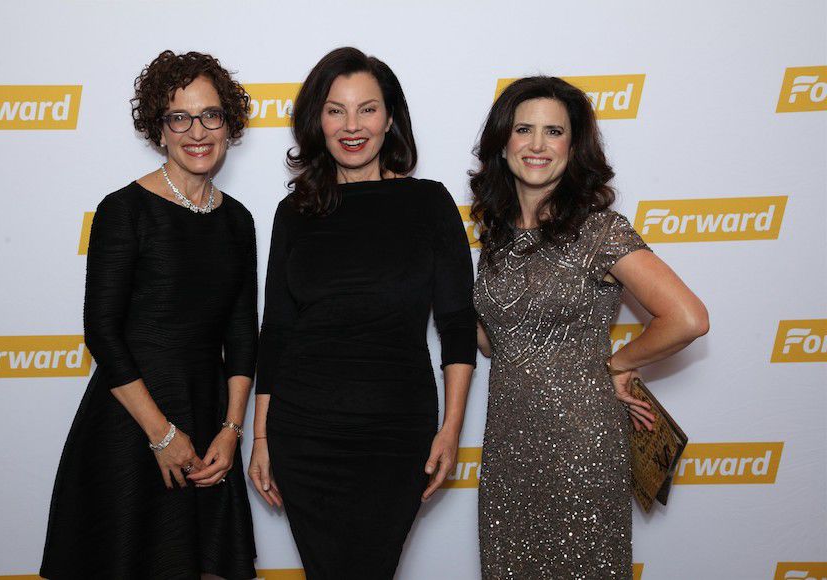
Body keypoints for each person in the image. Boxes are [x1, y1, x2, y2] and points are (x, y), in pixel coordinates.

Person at [248, 47, 476, 579]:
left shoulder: (429, 204)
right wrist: (260, 438)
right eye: (336, 110)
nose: (352, 126)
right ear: (317, 121)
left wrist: (451, 428)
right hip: (303, 433)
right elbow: (276, 329)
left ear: (390, 117)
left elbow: (458, 325)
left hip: (395, 435)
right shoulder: (295, 211)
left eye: (367, 109)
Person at [471, 76, 709, 579]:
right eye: (523, 129)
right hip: (508, 449)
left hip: (580, 443)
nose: (537, 145)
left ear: (573, 146)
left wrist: (618, 363)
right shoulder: (494, 233)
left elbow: (687, 318)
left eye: (553, 131)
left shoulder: (600, 230)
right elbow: (495, 342)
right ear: (503, 143)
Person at [40, 50, 259, 580]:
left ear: (228, 125)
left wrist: (231, 431)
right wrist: (161, 435)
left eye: (211, 115)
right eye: (178, 117)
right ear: (159, 131)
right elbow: (103, 332)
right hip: (130, 424)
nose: (197, 131)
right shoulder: (124, 210)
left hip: (209, 427)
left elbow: (242, 335)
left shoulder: (237, 221)